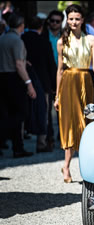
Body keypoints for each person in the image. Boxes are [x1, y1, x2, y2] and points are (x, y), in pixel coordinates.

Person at [54, 4, 94, 183]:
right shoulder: (61, 42)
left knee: (88, 122)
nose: (73, 22)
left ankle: (88, 167)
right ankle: (66, 166)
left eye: (77, 19)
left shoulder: (91, 40)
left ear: (82, 20)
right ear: (67, 20)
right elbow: (60, 70)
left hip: (86, 82)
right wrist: (57, 96)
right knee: (70, 124)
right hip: (68, 83)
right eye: (71, 18)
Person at [0, 12, 37, 158]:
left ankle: (18, 147)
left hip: (2, 78)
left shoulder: (2, 39)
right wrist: (29, 84)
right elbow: (18, 64)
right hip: (14, 79)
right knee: (21, 113)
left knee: (7, 113)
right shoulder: (17, 41)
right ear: (22, 25)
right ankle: (6, 137)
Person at [22, 16, 55, 153]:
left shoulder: (22, 39)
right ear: (41, 27)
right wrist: (54, 85)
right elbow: (50, 64)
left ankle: (19, 143)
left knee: (23, 112)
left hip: (23, 79)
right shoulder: (44, 42)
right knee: (44, 112)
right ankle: (41, 143)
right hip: (43, 81)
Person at [42, 10, 64, 148]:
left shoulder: (65, 36)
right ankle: (49, 135)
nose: (54, 23)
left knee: (63, 108)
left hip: (62, 75)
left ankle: (62, 135)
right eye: (52, 21)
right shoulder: (43, 36)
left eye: (57, 21)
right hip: (47, 76)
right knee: (48, 109)